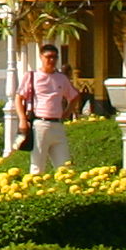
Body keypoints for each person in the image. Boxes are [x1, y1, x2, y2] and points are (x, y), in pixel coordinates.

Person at [12, 44, 84, 174]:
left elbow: (74, 96)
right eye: (48, 57)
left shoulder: (61, 78)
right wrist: (22, 120)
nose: (52, 60)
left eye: (55, 57)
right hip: (40, 123)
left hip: (57, 124)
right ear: (41, 57)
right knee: (37, 165)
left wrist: (67, 112)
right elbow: (18, 98)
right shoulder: (32, 76)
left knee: (65, 166)